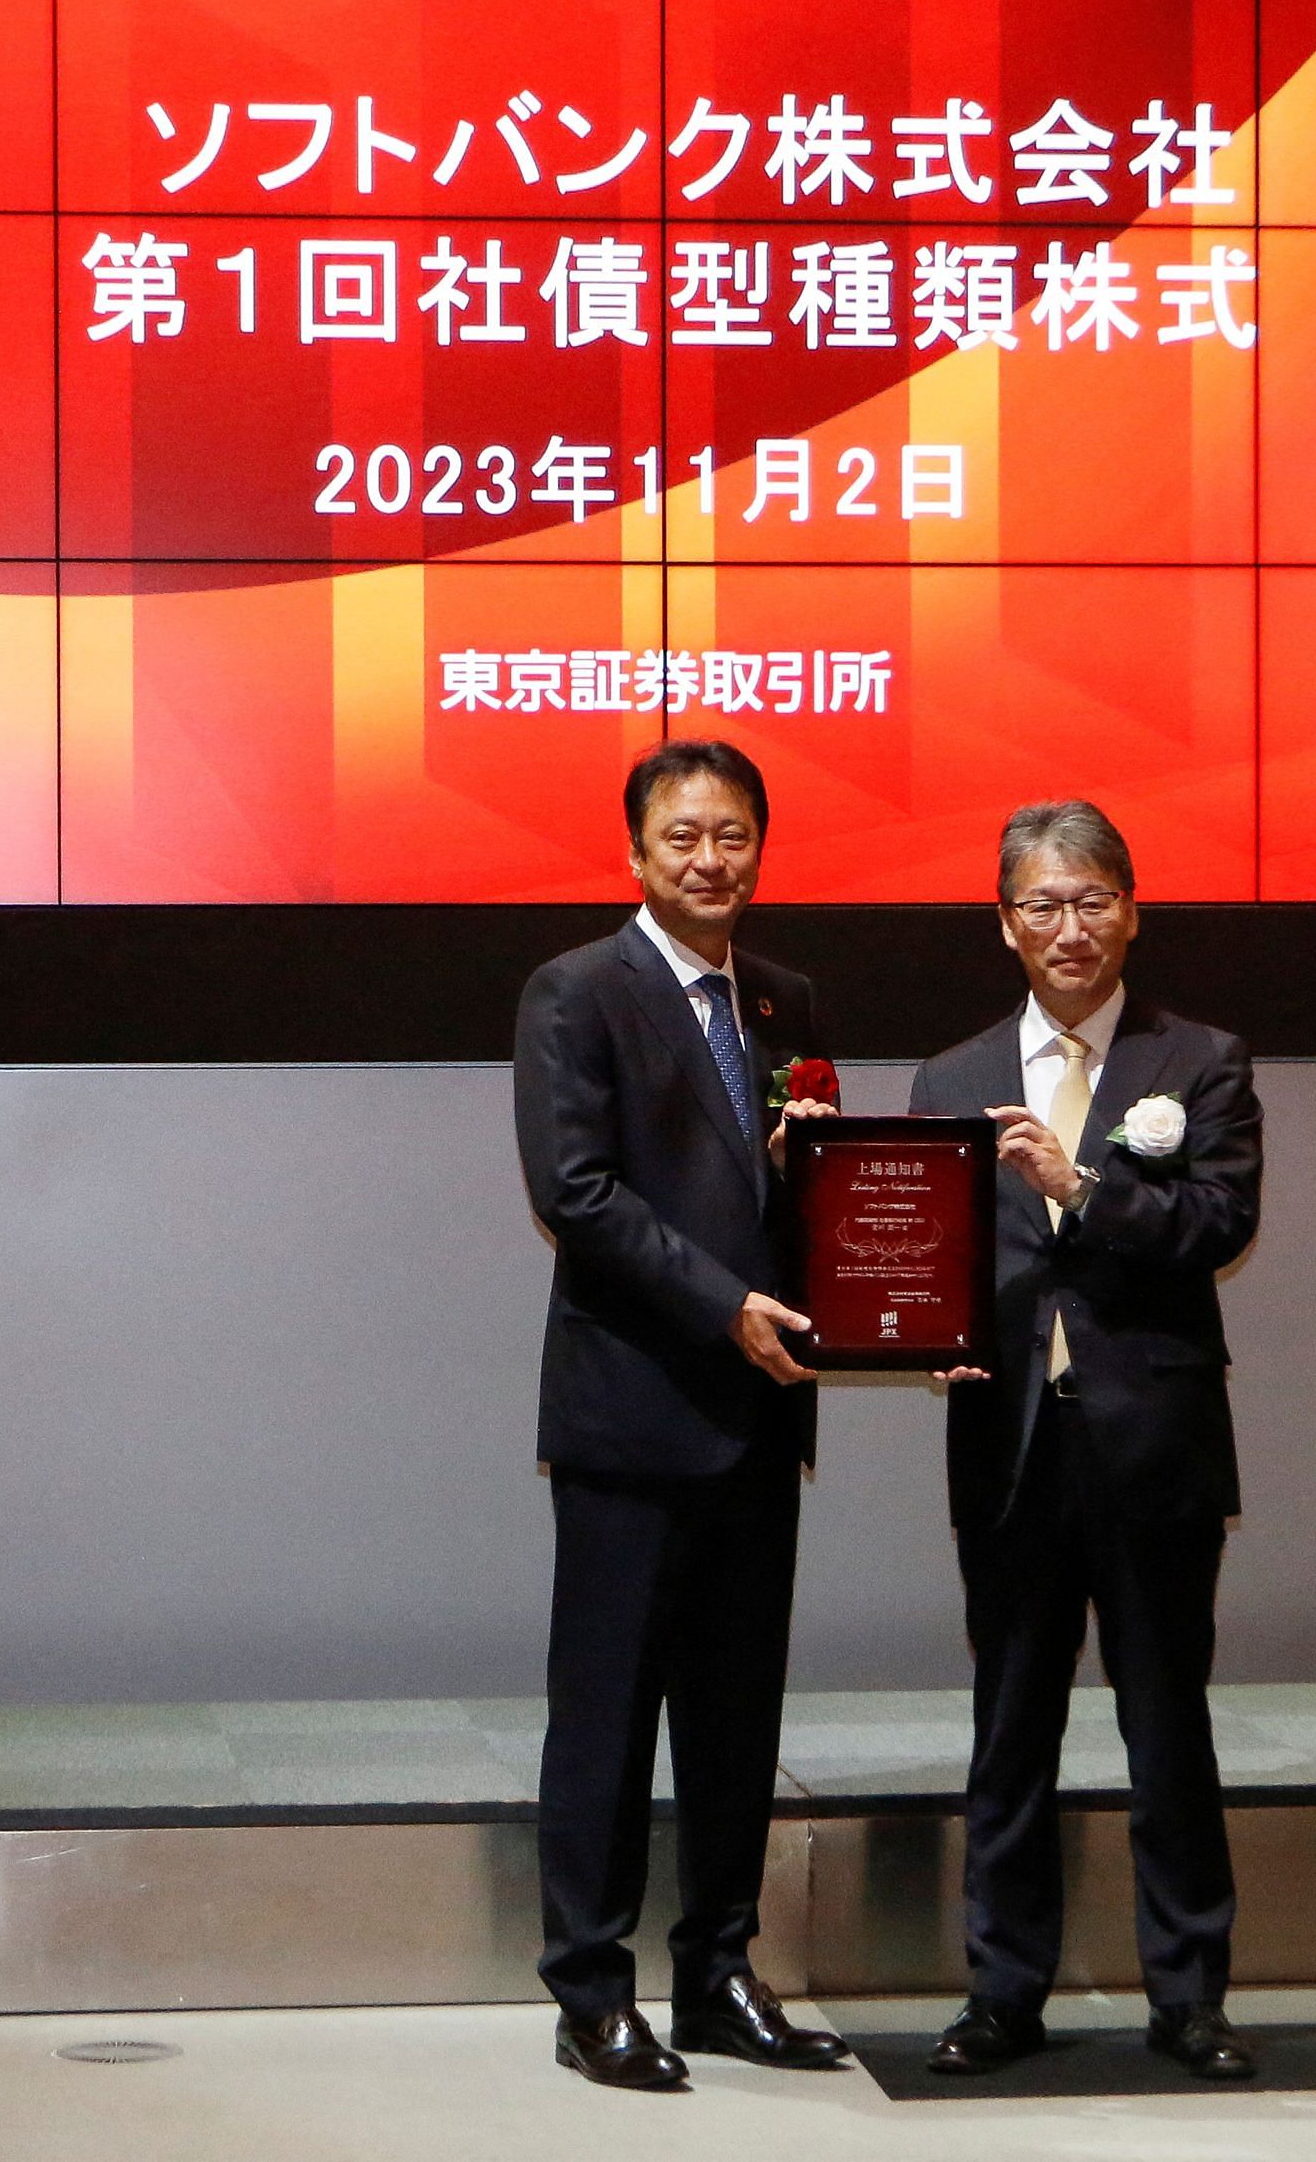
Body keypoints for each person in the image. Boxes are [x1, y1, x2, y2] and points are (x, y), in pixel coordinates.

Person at [906, 798, 1264, 2083]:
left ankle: (1190, 1996)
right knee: (1009, 1726)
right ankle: (1001, 1991)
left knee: (1167, 1722)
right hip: (1004, 1445)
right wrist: (919, 1333)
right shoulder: (949, 1078)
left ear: (1132, 907)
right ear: (1003, 924)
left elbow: (1217, 1222)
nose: (1069, 927)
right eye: (1041, 905)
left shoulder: (1201, 1060)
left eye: (1092, 899)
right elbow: (925, 1254)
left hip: (1153, 1441)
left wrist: (1082, 1187)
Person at [511, 739, 851, 2091]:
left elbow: (819, 1196)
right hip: (633, 1416)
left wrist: (907, 1323)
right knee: (604, 1715)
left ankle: (716, 1972)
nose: (711, 859)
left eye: (733, 835)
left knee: (735, 1716)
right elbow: (576, 1196)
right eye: (683, 838)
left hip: (761, 1422)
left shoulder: (783, 999)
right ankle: (590, 1992)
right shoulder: (576, 993)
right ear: (638, 854)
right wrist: (725, 1306)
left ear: (761, 845)